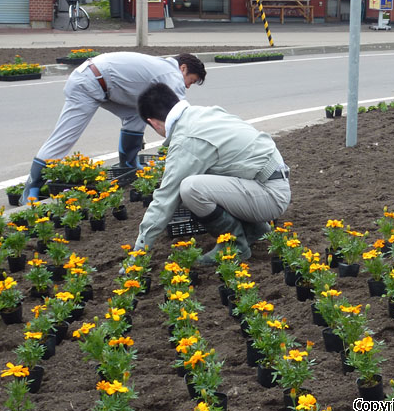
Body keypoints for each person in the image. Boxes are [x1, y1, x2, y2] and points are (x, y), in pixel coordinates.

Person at [129, 82, 291, 264]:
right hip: (271, 182)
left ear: (153, 122)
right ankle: (255, 229)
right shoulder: (204, 113)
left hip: (270, 195)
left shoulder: (187, 139)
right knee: (203, 179)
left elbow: (165, 198)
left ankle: (234, 245)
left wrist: (139, 251)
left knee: (190, 189)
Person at [20, 52, 206, 204]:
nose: (188, 86)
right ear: (183, 68)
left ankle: (128, 164)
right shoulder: (171, 74)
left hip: (103, 83)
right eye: (191, 80)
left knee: (137, 114)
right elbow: (180, 114)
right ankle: (32, 187)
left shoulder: (161, 67)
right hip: (88, 83)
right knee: (64, 138)